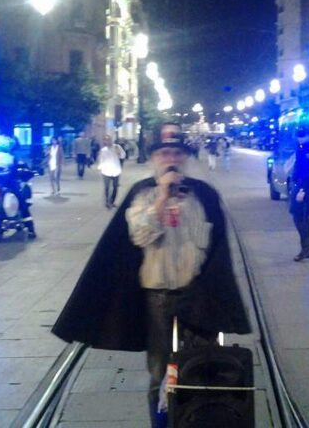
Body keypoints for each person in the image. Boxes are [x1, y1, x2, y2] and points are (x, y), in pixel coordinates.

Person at [51, 124, 251, 427]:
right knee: (161, 373)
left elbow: (218, 249)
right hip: (158, 297)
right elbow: (141, 235)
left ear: (185, 157)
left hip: (198, 295)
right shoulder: (142, 193)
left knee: (203, 369)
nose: (170, 157)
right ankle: (160, 423)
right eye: (164, 152)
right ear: (154, 158)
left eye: (176, 152)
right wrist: (161, 198)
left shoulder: (204, 195)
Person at [289, 127, 309, 261]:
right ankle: (306, 248)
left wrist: (302, 190)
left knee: (301, 218)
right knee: (298, 216)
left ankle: (306, 249)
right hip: (299, 185)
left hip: (303, 188)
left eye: (301, 136)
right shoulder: (302, 148)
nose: (299, 138)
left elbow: (308, 172)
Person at [98, 135, 126, 208]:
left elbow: (123, 156)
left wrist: (118, 152)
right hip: (106, 171)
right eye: (106, 140)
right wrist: (100, 167)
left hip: (116, 170)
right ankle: (107, 201)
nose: (107, 141)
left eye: (109, 139)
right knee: (107, 187)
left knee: (115, 187)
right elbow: (101, 159)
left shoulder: (117, 147)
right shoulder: (103, 150)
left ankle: (112, 201)